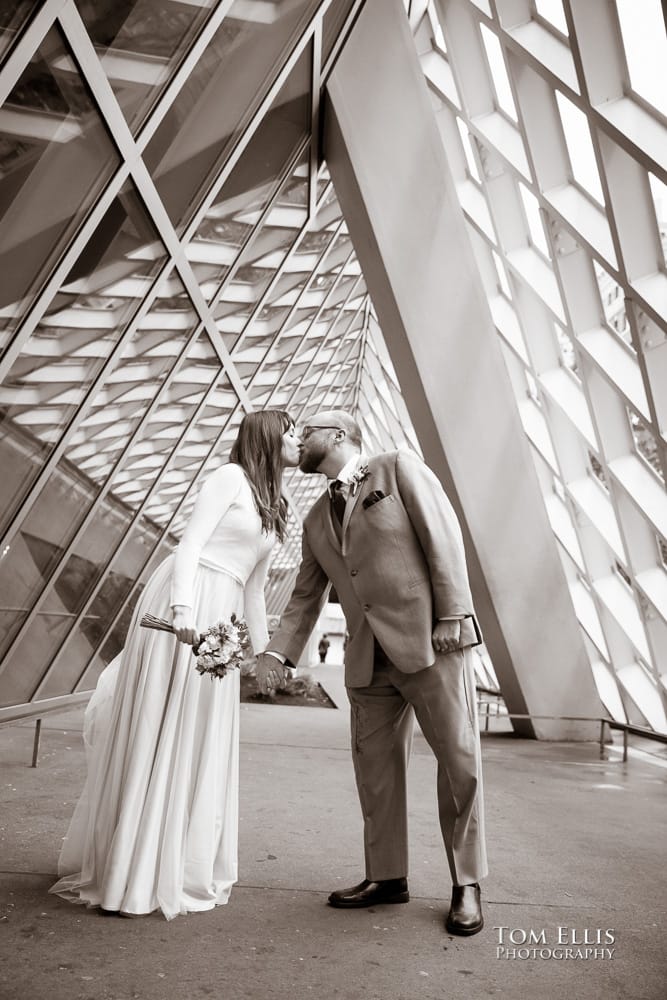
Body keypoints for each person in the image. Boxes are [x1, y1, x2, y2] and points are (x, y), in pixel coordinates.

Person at [50, 410, 301, 920]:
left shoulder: (276, 505)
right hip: (184, 603)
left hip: (224, 615)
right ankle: (131, 869)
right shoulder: (230, 478)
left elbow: (254, 588)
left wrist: (263, 652)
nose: (299, 439)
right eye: (292, 431)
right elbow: (189, 546)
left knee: (197, 730)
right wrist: (184, 610)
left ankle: (172, 859)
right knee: (161, 722)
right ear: (269, 438)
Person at [256, 410, 487, 936]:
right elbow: (305, 598)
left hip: (432, 643)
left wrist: (453, 613)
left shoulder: (397, 468)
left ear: (337, 435)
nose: (297, 439)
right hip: (366, 659)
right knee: (375, 774)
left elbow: (442, 535)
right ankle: (387, 877)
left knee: (459, 764)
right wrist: (277, 654)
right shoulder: (316, 518)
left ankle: (467, 883)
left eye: (305, 430)